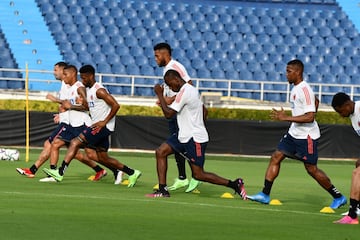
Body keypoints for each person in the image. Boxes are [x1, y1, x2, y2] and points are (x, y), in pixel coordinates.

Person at [247, 59, 347, 209]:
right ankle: (265, 194)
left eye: (289, 72)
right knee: (276, 156)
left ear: (298, 72)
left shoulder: (304, 89)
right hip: (294, 133)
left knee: (311, 169)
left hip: (306, 136)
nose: (286, 75)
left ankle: (338, 197)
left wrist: (285, 117)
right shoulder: (296, 88)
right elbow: (316, 101)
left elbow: (310, 117)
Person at [146, 69, 247, 198]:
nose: (170, 87)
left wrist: (159, 94)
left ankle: (235, 185)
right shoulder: (191, 89)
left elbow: (168, 114)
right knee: (161, 152)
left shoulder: (185, 92)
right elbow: (204, 111)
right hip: (184, 135)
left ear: (177, 79)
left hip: (194, 138)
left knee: (199, 175)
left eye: (170, 84)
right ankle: (162, 190)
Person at [43, 65, 141, 187]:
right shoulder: (88, 91)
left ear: (91, 76)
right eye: (81, 78)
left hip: (101, 127)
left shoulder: (99, 90)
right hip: (98, 126)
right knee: (102, 158)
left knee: (75, 142)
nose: (82, 81)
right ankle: (132, 172)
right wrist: (77, 105)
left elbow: (116, 105)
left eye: (84, 78)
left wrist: (104, 122)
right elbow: (88, 107)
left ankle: (60, 172)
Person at [16, 62, 113, 182]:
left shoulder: (79, 87)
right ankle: (52, 173)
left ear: (69, 73)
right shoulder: (67, 85)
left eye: (57, 70)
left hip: (82, 124)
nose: (55, 73)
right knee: (66, 149)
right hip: (71, 123)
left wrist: (62, 103)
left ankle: (116, 169)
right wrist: (62, 113)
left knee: (90, 154)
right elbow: (67, 104)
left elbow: (86, 106)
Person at [153, 42, 200, 192]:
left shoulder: (176, 66)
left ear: (164, 54)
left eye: (157, 55)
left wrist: (170, 100)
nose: (155, 59)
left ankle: (196, 176)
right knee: (177, 145)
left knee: (182, 145)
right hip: (174, 112)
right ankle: (182, 178)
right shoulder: (167, 69)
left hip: (180, 112)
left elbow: (189, 86)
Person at [331, 92, 360, 224]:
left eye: (340, 111)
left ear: (347, 105)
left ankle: (352, 215)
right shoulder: (353, 116)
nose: (340, 115)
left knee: (357, 173)